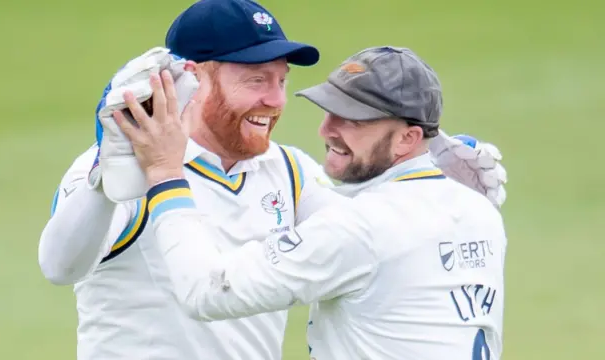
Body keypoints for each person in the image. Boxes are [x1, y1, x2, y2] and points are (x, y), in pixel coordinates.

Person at [39, 0, 506, 359]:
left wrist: (432, 186)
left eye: (281, 81)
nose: (275, 100)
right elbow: (60, 268)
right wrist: (108, 175)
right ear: (195, 77)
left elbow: (370, 244)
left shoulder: (289, 170)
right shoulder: (124, 165)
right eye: (257, 80)